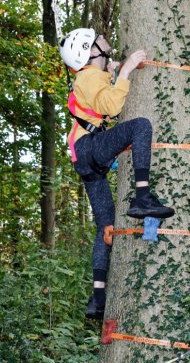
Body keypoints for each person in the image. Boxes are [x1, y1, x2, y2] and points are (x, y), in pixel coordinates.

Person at [59, 28, 175, 320]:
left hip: (83, 157)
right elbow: (112, 105)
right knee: (140, 126)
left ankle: (98, 297)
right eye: (97, 39)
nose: (102, 39)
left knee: (106, 226)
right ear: (90, 50)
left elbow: (97, 101)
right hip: (90, 147)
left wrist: (112, 72)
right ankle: (143, 197)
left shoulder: (86, 77)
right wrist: (127, 68)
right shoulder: (89, 76)